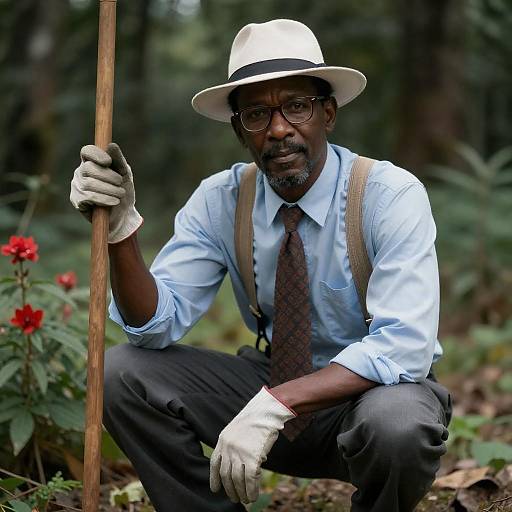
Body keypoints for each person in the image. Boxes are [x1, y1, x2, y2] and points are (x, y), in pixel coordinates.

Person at [70, 19, 452, 512]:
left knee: (400, 423)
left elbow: (405, 348)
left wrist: (279, 403)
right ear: (238, 129)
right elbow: (152, 328)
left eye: (297, 106)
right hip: (268, 390)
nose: (277, 129)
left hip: (369, 405)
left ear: (328, 113)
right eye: (256, 113)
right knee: (122, 372)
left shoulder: (388, 195)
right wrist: (122, 232)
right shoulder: (221, 199)